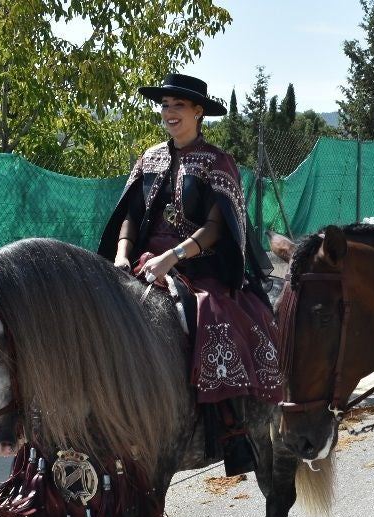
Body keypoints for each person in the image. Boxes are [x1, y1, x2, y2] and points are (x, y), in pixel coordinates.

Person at [98, 74, 281, 476]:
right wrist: (122, 254)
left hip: (202, 266)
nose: (168, 113)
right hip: (144, 259)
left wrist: (173, 257)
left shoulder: (219, 162)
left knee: (213, 318)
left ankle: (232, 430)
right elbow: (129, 213)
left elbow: (218, 227)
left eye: (178, 106)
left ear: (199, 112)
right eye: (164, 105)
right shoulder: (149, 158)